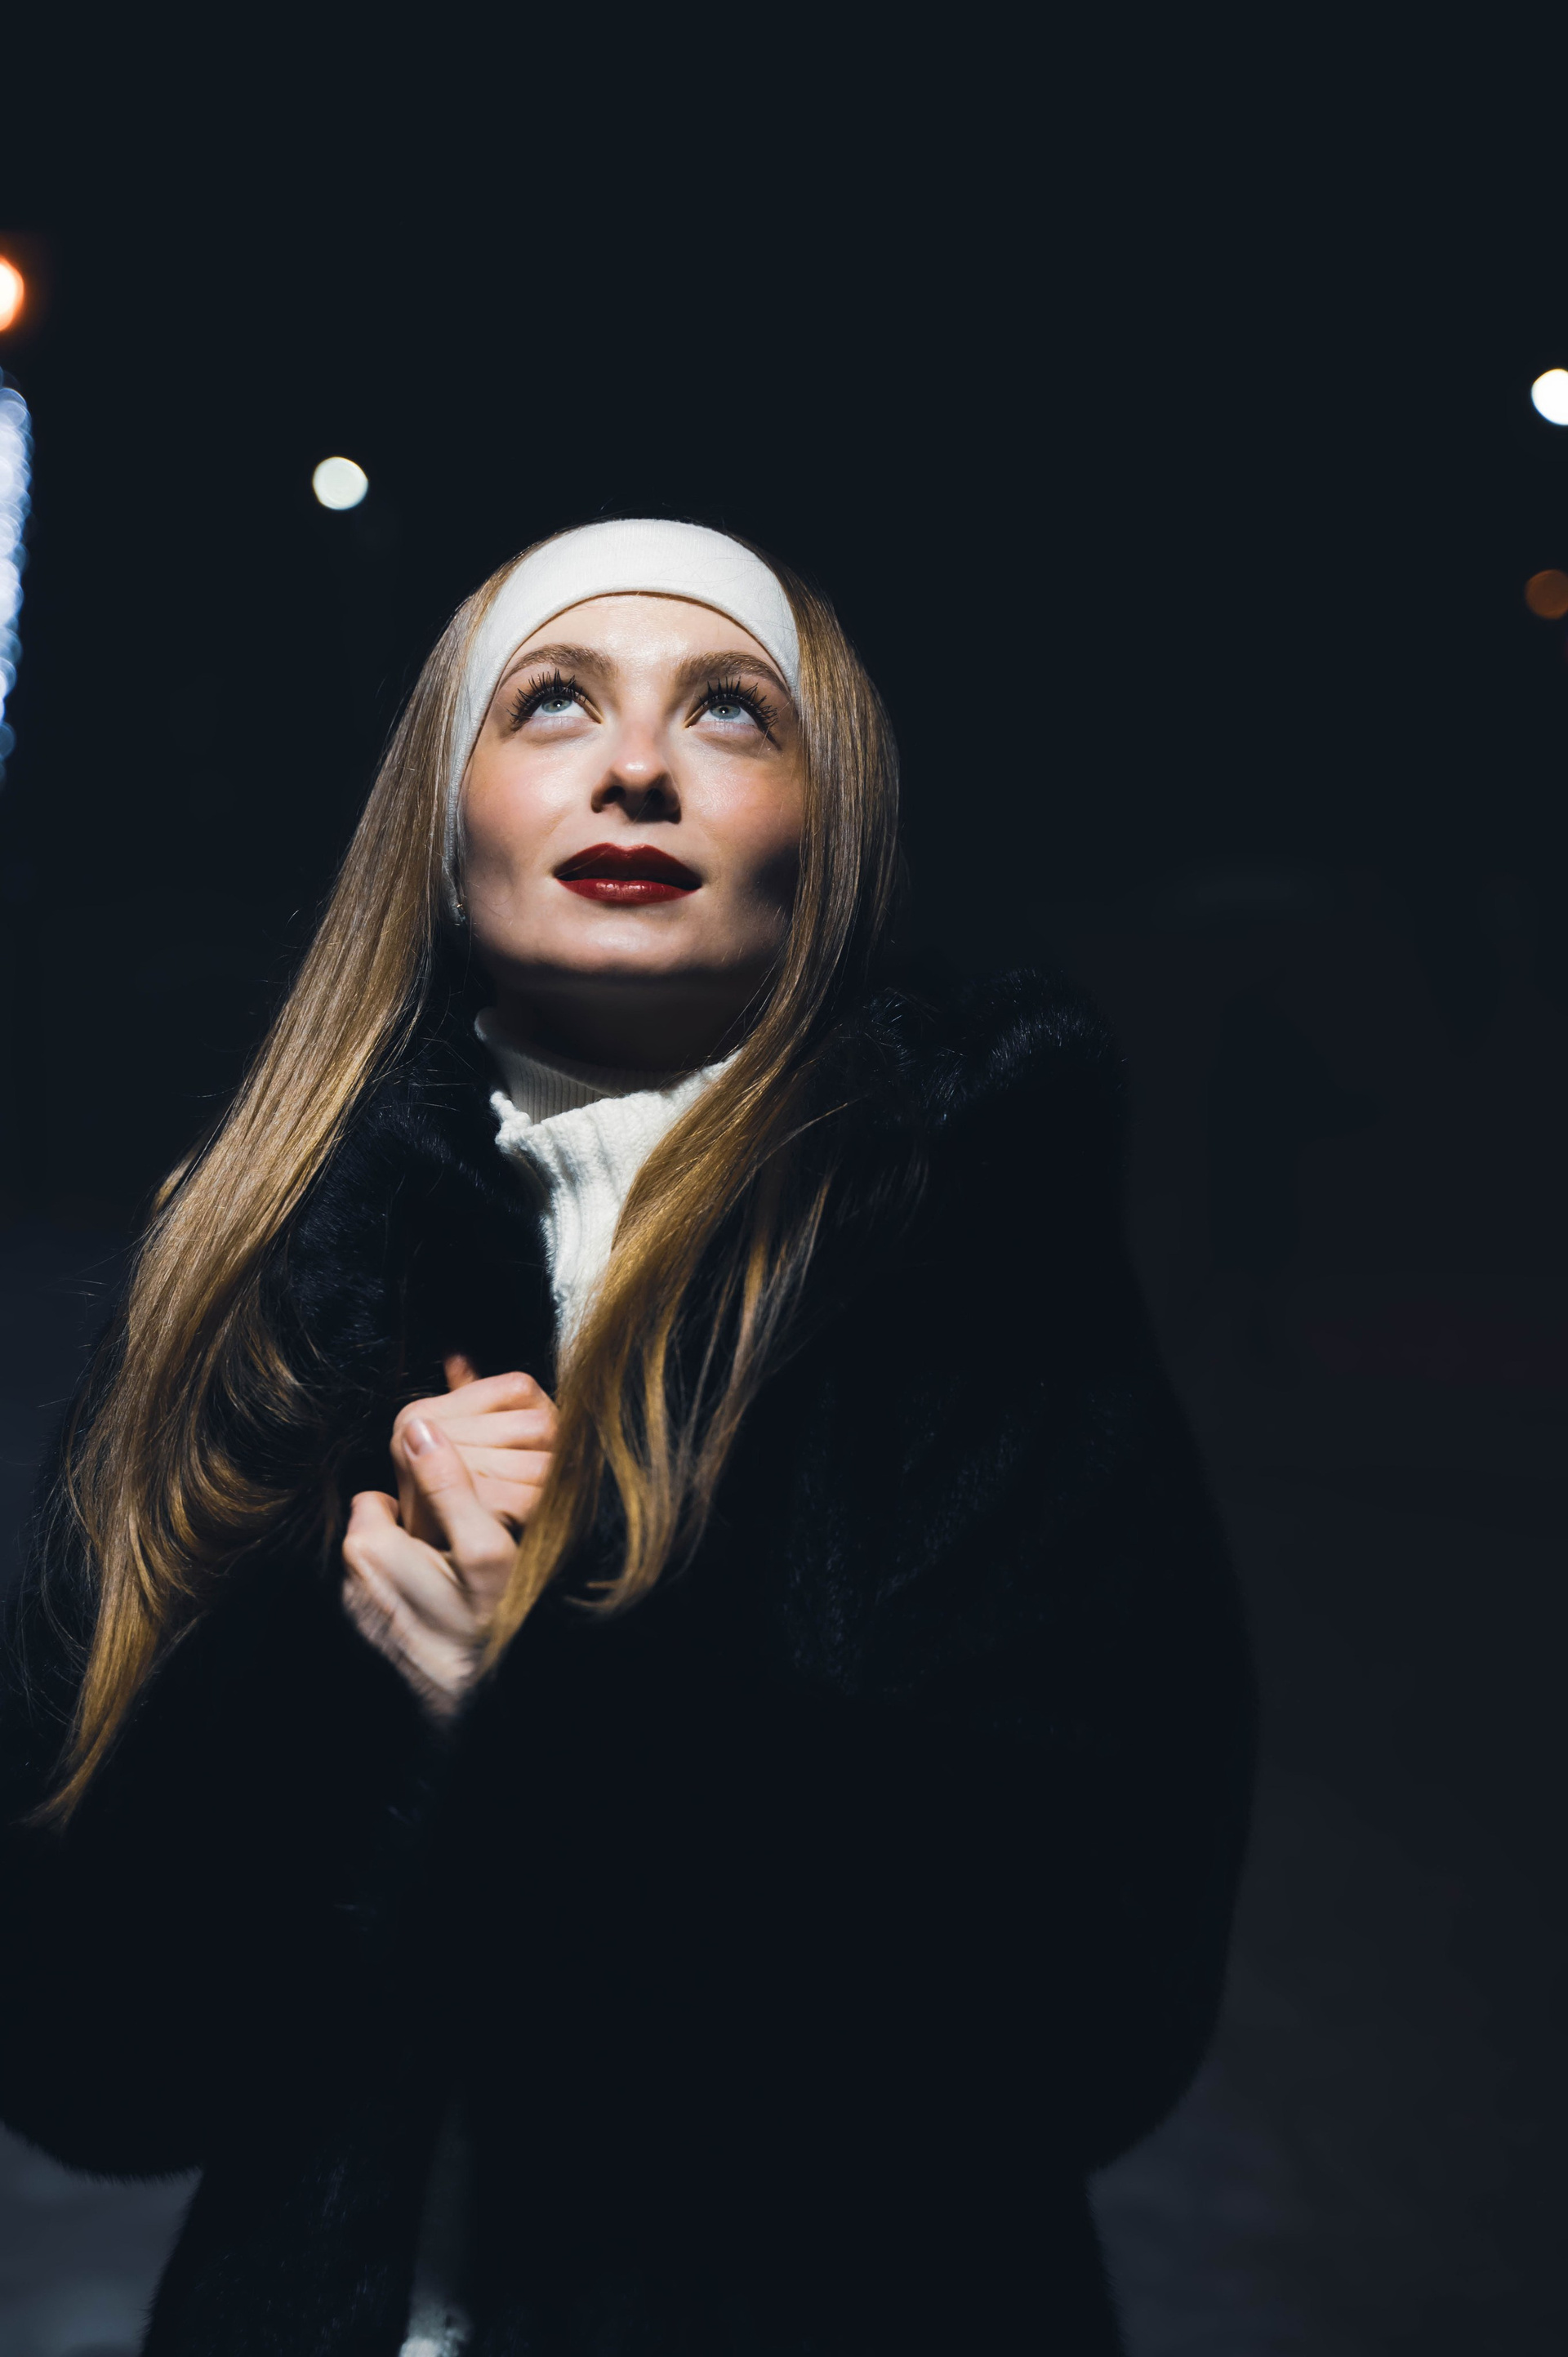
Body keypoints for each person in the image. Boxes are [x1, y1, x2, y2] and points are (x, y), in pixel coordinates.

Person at [0, 519, 1254, 2355]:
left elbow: (1089, 2019)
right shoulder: (269, 1276)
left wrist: (554, 1708)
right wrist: (324, 1664)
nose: (638, 766)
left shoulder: (970, 1268)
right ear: (442, 820)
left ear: (828, 835)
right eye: (553, 702)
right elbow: (98, 2059)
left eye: (733, 711)